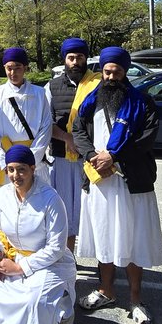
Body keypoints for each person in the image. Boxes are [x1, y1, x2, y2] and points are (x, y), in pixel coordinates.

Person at [74, 46, 162, 324]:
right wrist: (92, 156)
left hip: (131, 181)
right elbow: (77, 132)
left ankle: (136, 299)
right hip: (100, 181)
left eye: (117, 71)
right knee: (104, 236)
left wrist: (114, 156)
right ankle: (106, 290)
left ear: (125, 72)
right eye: (107, 71)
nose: (111, 76)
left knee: (133, 240)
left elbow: (148, 138)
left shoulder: (142, 102)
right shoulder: (91, 101)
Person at [0, 145, 75, 324]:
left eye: (21, 169)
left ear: (33, 168)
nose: (15, 175)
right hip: (10, 256)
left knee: (37, 300)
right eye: (10, 169)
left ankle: (62, 315)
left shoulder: (51, 199)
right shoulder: (2, 194)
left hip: (50, 263)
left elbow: (56, 248)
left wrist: (21, 268)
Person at [45, 38, 100, 250]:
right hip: (62, 157)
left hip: (91, 158)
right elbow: (44, 123)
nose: (75, 62)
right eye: (71, 58)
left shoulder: (98, 85)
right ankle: (67, 258)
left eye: (80, 57)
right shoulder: (51, 87)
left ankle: (101, 260)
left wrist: (83, 144)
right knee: (65, 211)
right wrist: (68, 138)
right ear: (64, 60)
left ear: (86, 58)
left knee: (92, 210)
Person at [0, 47, 52, 209]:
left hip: (33, 161)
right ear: (4, 69)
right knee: (6, 207)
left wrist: (31, 160)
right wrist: (3, 160)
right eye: (9, 68)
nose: (13, 72)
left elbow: (46, 127)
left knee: (36, 205)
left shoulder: (39, 93)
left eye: (18, 68)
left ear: (25, 68)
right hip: (7, 161)